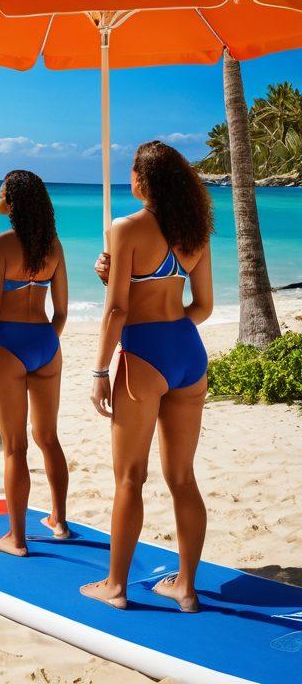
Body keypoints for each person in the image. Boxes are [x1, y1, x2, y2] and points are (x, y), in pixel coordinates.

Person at [81, 141, 214, 613]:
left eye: (132, 171)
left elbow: (117, 309)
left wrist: (100, 370)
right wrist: (169, 329)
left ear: (143, 178)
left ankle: (115, 586)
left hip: (143, 355)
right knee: (182, 477)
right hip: (188, 354)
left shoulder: (126, 227)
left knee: (129, 478)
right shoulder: (195, 232)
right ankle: (187, 588)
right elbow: (203, 306)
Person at [0, 170, 70, 555]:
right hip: (46, 344)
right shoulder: (53, 246)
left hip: (8, 346)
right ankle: (59, 521)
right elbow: (62, 311)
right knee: (48, 438)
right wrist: (44, 341)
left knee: (15, 447)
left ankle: (17, 539)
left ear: (11, 203)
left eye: (1, 192)